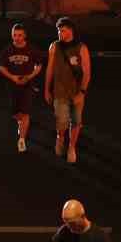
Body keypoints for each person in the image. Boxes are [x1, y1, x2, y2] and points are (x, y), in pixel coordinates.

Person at [45, 18, 90, 165]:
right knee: (62, 121)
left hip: (76, 92)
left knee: (76, 122)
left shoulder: (81, 48)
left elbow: (87, 72)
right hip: (59, 92)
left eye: (62, 30)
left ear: (71, 31)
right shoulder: (54, 47)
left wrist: (82, 92)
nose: (59, 33)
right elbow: (50, 69)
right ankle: (60, 137)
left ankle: (71, 147)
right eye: (58, 31)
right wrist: (47, 89)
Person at [0, 22, 43, 152]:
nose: (17, 38)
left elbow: (39, 65)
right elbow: (2, 67)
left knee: (25, 112)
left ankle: (22, 139)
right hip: (12, 85)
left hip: (27, 85)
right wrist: (12, 77)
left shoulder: (32, 49)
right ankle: (20, 123)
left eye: (19, 35)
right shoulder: (7, 50)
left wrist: (29, 77)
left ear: (25, 36)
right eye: (14, 35)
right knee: (16, 114)